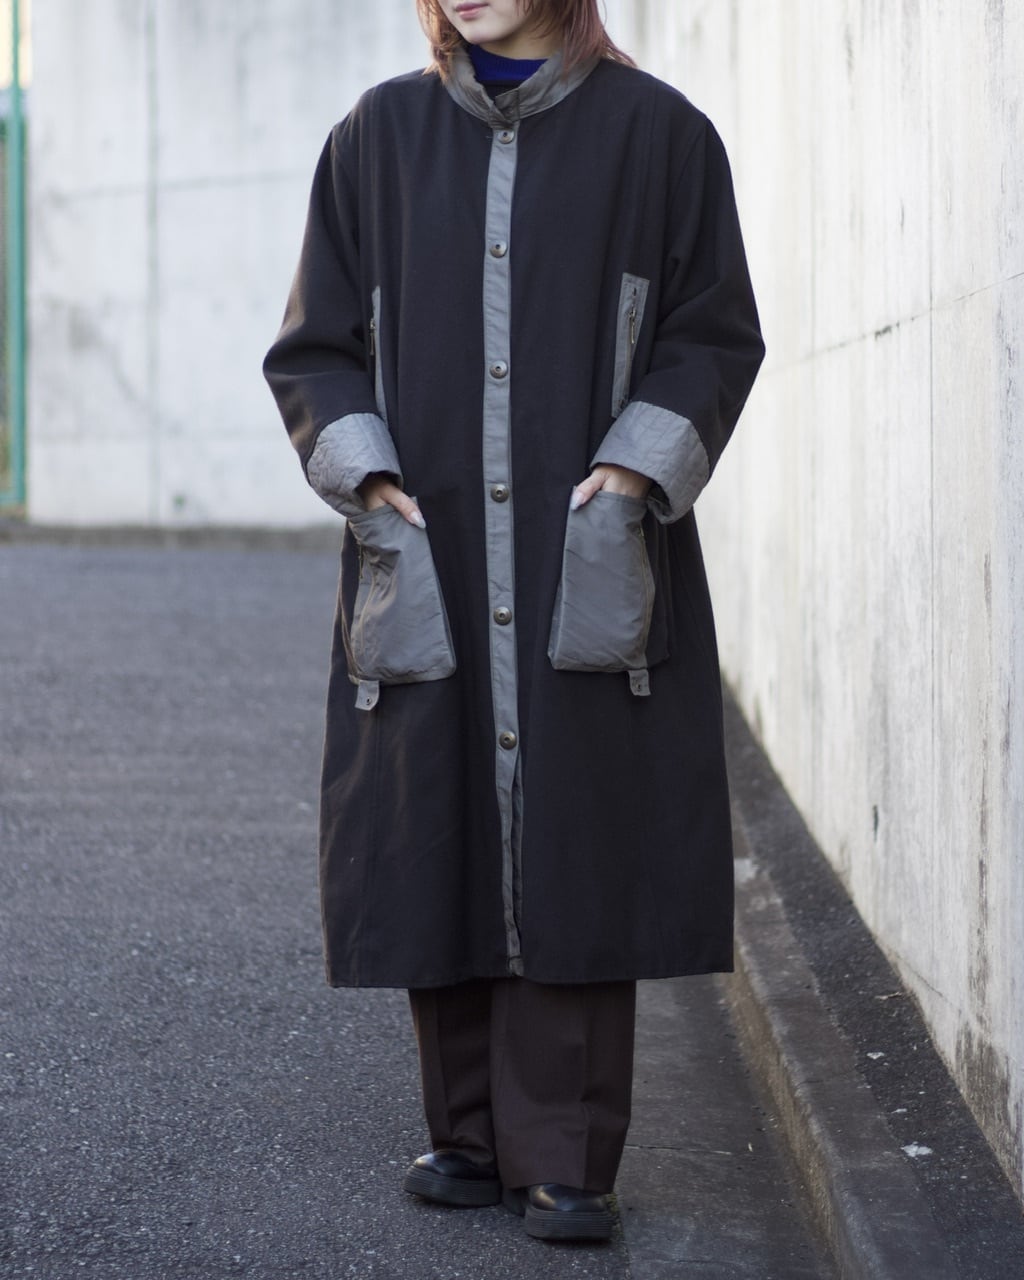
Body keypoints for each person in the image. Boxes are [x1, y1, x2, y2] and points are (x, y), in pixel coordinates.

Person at [264, 0, 764, 1244]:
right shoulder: (376, 137)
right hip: (425, 535)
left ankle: (568, 1156)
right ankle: (468, 1133)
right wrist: (366, 473)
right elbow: (315, 346)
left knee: (581, 820)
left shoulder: (659, 137)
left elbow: (712, 334)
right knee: (433, 813)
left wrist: (637, 467)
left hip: (582, 534)